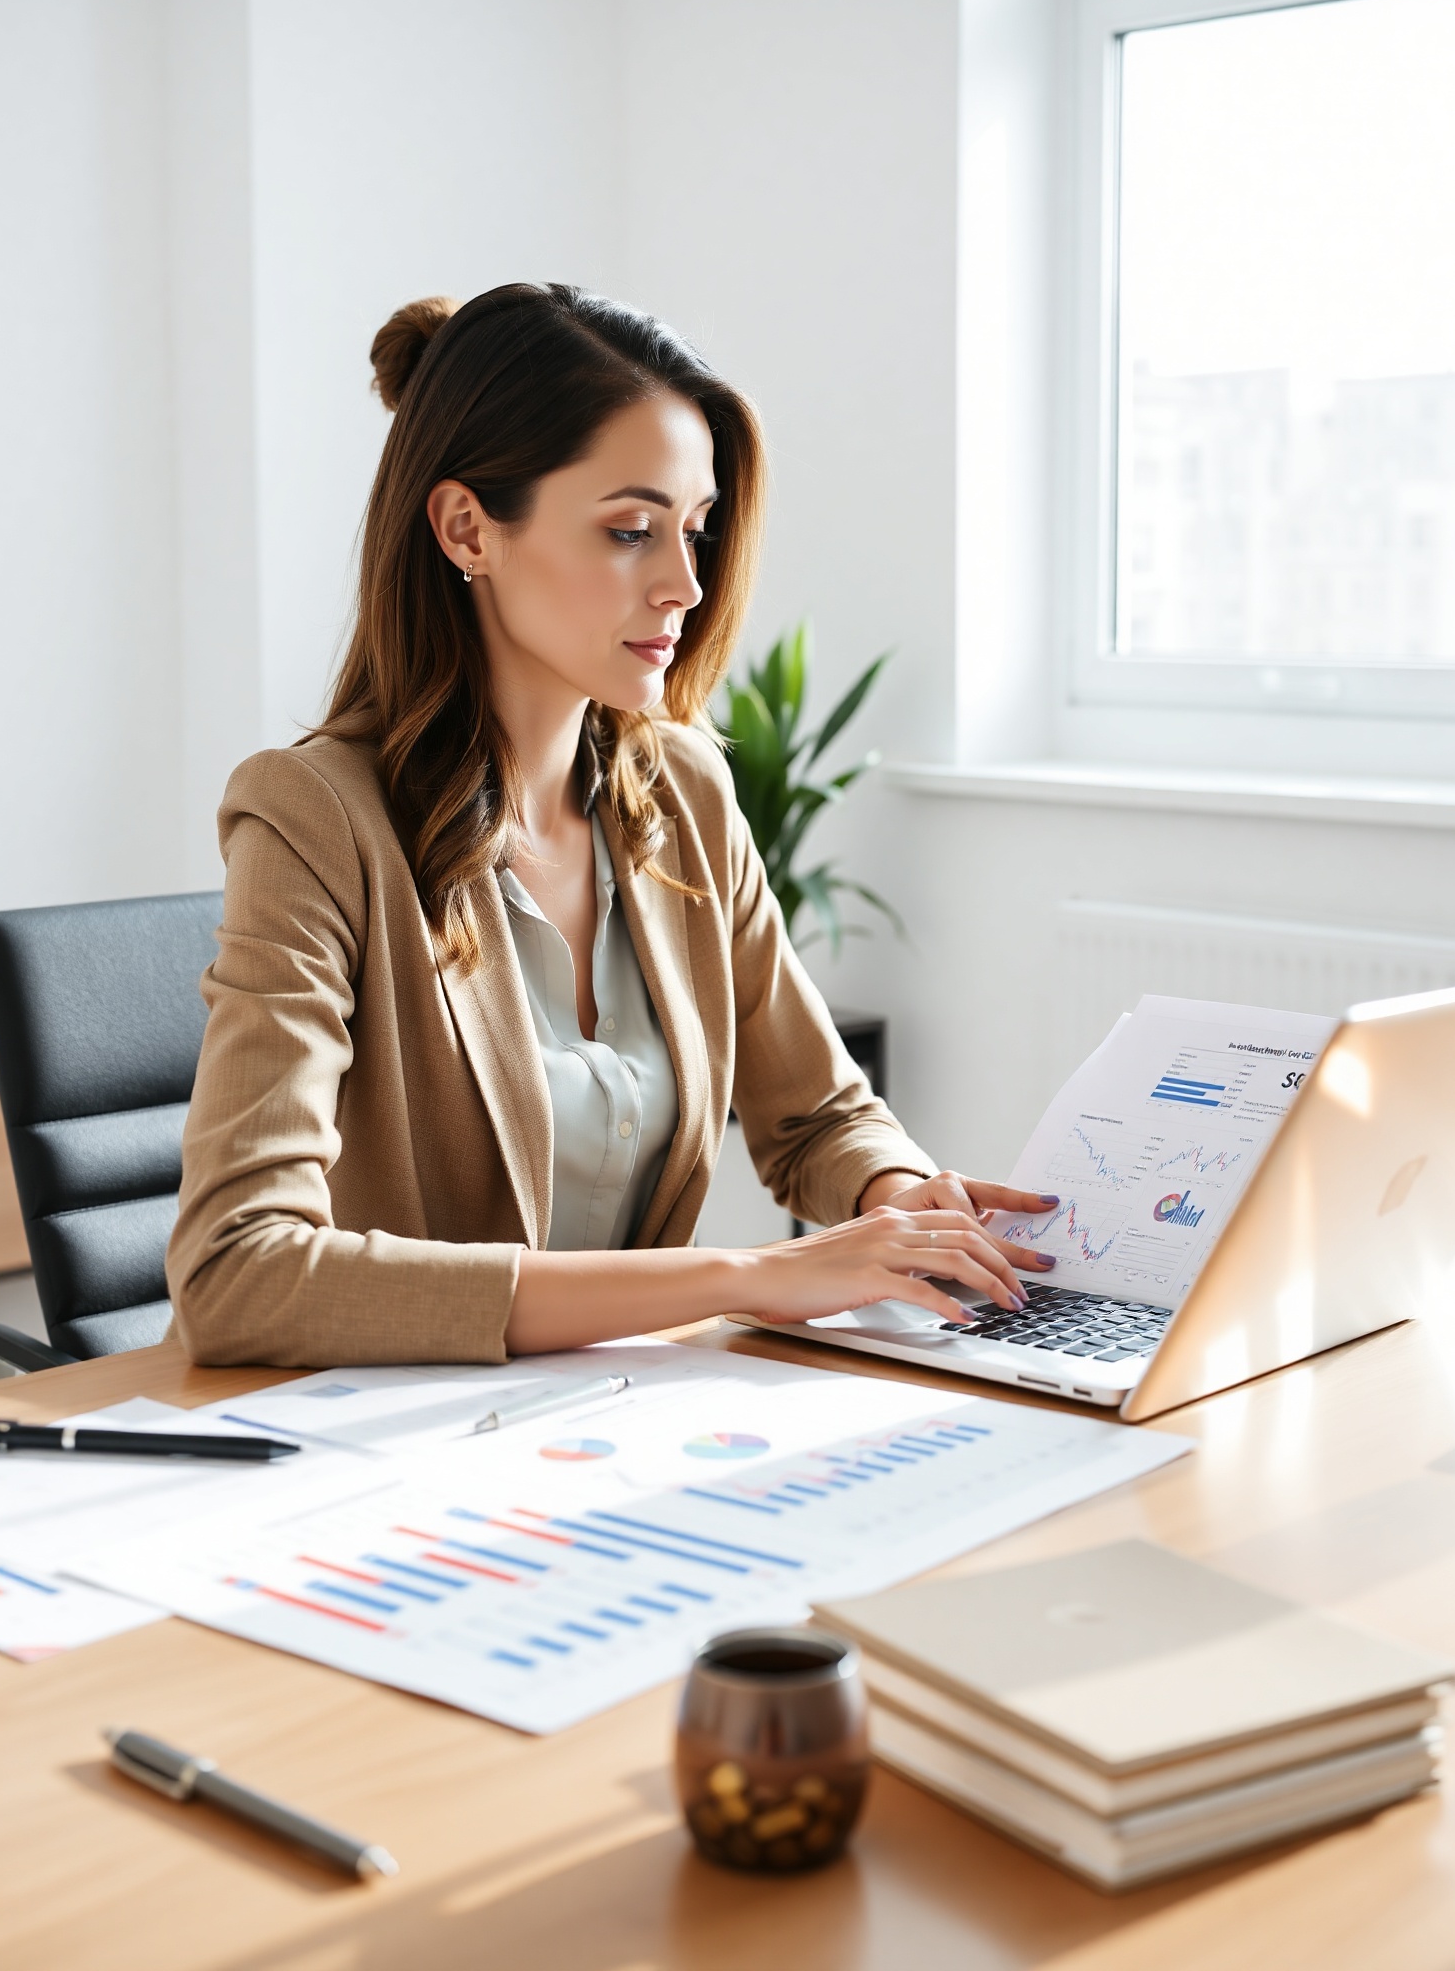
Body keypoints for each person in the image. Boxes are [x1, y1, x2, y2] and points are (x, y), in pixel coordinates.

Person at [167, 282, 1056, 1368]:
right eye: (630, 530)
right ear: (465, 529)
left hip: (601, 1421)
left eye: (693, 530)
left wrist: (905, 1202)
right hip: (373, 1440)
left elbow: (817, 1112)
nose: (684, 584)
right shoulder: (314, 819)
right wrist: (746, 1275)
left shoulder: (683, 791)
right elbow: (237, 1269)